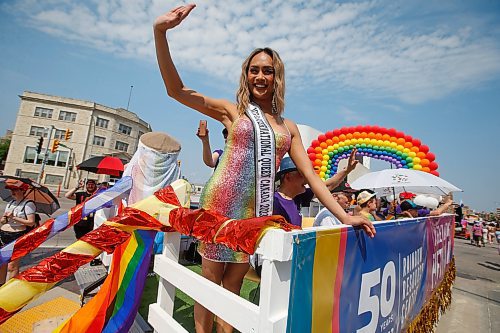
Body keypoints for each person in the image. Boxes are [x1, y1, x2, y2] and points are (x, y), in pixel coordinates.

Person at [153, 5, 375, 332]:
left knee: (235, 283)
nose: (260, 76)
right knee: (210, 278)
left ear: (277, 77)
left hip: (252, 213)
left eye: (267, 71)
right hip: (220, 207)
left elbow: (312, 177)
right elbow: (177, 91)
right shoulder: (233, 111)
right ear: (246, 75)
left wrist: (345, 216)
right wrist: (160, 32)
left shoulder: (289, 128)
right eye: (254, 70)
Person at [0, 181, 36, 285]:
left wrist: (13, 217)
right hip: (3, 235)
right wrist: (4, 219)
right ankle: (1, 286)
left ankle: (10, 289)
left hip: (16, 236)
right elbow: (3, 220)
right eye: (11, 189)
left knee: (12, 266)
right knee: (2, 263)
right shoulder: (10, 203)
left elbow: (31, 222)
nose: (12, 191)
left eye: (15, 189)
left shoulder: (29, 204)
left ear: (23, 190)